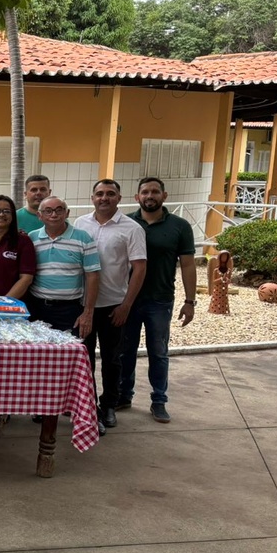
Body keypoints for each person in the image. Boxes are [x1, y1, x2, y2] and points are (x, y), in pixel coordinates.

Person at [118, 177, 197, 424]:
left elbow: (187, 264)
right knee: (124, 351)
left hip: (160, 301)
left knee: (159, 353)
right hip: (127, 299)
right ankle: (123, 395)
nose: (149, 195)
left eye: (155, 191)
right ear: (137, 197)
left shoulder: (180, 226)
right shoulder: (126, 222)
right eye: (145, 192)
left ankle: (159, 400)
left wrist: (190, 301)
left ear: (164, 195)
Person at [75, 179, 147, 433]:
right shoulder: (80, 223)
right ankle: (88, 405)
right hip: (83, 306)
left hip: (113, 305)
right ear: (92, 197)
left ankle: (109, 405)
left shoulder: (132, 228)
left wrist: (126, 305)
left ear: (119, 198)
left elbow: (139, 268)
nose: (104, 198)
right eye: (99, 193)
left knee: (112, 359)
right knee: (83, 359)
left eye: (110, 194)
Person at [27, 196, 101, 429]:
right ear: (39, 215)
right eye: (47, 211)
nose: (54, 214)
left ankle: (89, 414)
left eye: (59, 210)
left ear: (67, 213)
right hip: (38, 308)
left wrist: (88, 312)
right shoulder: (32, 239)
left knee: (82, 362)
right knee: (41, 362)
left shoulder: (82, 238)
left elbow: (93, 275)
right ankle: (43, 408)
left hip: (71, 309)